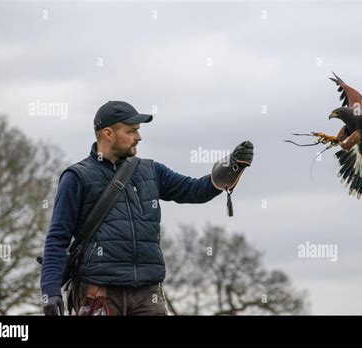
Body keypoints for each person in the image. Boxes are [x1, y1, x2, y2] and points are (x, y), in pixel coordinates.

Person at [40, 101, 254, 316]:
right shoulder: (77, 177)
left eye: (138, 131)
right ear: (108, 133)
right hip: (98, 290)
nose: (139, 137)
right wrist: (50, 290)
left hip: (147, 292)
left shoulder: (151, 171)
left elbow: (195, 190)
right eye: (131, 131)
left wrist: (232, 167)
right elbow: (58, 237)